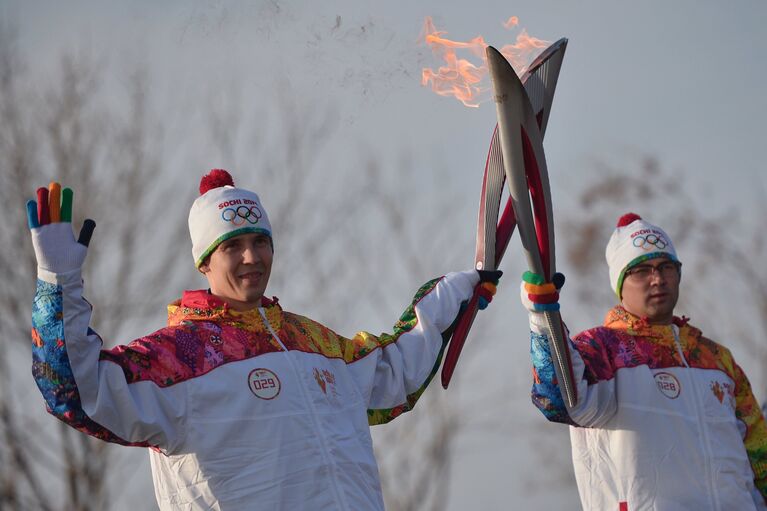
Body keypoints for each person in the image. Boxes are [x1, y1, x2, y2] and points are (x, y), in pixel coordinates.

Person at [28, 169, 501, 511]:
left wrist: (456, 292)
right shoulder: (180, 357)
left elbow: (395, 369)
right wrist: (58, 283)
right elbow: (76, 387)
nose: (251, 257)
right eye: (232, 246)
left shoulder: (311, 342)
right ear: (205, 263)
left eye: (260, 242)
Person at [520, 212, 767, 510]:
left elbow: (759, 452)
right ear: (621, 283)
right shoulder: (602, 349)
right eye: (641, 270)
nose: (657, 279)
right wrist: (543, 316)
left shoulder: (716, 359)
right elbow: (557, 398)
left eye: (666, 267)